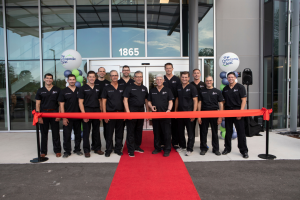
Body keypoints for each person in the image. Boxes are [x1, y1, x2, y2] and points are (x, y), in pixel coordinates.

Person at [222, 72, 249, 158]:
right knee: (228, 132)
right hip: (228, 112)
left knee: (241, 132)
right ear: (227, 79)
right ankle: (227, 148)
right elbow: (223, 102)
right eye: (229, 77)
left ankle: (244, 150)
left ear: (235, 78)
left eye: (232, 77)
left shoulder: (240, 87)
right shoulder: (225, 89)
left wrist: (240, 112)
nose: (230, 79)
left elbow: (244, 100)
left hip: (238, 111)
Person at [123, 71, 149, 157]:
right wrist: (127, 112)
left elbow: (146, 101)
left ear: (142, 78)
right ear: (134, 78)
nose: (139, 78)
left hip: (141, 111)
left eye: (140, 76)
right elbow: (125, 100)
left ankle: (137, 146)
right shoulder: (129, 87)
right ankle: (131, 149)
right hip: (131, 111)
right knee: (131, 131)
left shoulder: (144, 88)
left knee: (138, 130)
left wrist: (147, 112)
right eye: (137, 76)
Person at [35, 73, 61, 157]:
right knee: (43, 133)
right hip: (43, 113)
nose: (48, 80)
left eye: (50, 78)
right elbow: (37, 104)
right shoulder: (40, 90)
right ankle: (43, 152)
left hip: (54, 113)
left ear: (52, 80)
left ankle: (57, 150)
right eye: (47, 78)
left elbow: (60, 104)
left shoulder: (57, 89)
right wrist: (39, 116)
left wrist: (59, 115)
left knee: (56, 133)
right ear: (44, 79)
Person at [78, 71, 103, 158]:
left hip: (96, 111)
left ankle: (97, 148)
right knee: (86, 132)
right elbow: (80, 102)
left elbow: (100, 101)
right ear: (87, 78)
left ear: (95, 78)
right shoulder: (83, 88)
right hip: (87, 110)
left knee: (96, 131)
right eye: (90, 77)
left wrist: (100, 113)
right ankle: (86, 150)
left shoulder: (98, 87)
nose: (92, 78)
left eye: (93, 77)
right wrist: (84, 114)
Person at [148, 74, 174, 157]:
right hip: (155, 116)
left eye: (160, 79)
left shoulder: (168, 90)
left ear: (163, 81)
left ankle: (167, 149)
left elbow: (171, 101)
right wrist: (151, 106)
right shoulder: (152, 91)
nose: (159, 81)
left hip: (166, 116)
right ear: (155, 81)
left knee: (167, 133)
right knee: (156, 132)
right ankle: (157, 148)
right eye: (157, 79)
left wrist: (169, 110)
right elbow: (149, 101)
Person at [102, 70, 126, 157]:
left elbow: (125, 101)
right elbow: (103, 102)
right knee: (109, 133)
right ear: (110, 77)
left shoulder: (122, 87)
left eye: (116, 75)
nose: (114, 77)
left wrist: (124, 114)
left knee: (119, 133)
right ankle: (108, 149)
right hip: (110, 114)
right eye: (113, 75)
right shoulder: (106, 88)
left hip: (120, 114)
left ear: (118, 76)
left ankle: (118, 149)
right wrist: (104, 114)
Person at [198, 76, 224, 156]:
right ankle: (203, 148)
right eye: (207, 80)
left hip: (214, 113)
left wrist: (220, 117)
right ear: (205, 82)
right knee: (203, 132)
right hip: (204, 113)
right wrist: (199, 115)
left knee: (214, 132)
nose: (208, 82)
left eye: (210, 80)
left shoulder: (217, 91)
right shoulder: (201, 91)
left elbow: (221, 104)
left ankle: (215, 149)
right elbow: (199, 103)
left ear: (212, 81)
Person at [58, 74, 83, 158]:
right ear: (67, 81)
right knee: (67, 135)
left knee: (78, 134)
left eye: (73, 79)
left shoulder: (80, 90)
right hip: (67, 117)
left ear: (75, 80)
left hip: (78, 117)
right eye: (70, 79)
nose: (72, 81)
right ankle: (67, 151)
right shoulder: (63, 91)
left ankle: (77, 149)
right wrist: (64, 117)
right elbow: (61, 105)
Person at [175, 72, 198, 156]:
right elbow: (177, 99)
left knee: (190, 132)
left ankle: (190, 148)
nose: (184, 79)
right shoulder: (179, 87)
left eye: (186, 77)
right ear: (181, 78)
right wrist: (175, 111)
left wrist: (194, 113)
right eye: (182, 77)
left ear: (188, 78)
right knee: (180, 131)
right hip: (180, 114)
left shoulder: (192, 87)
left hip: (189, 113)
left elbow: (195, 100)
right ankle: (182, 146)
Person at [163, 63, 181, 150]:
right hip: (163, 106)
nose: (168, 70)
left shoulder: (177, 79)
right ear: (165, 69)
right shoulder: (162, 79)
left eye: (170, 68)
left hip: (174, 105)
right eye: (167, 68)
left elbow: (177, 96)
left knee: (175, 125)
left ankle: (175, 143)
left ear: (172, 69)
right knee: (164, 125)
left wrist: (176, 109)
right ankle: (164, 143)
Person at [94, 67, 110, 146]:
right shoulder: (94, 82)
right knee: (95, 128)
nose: (102, 72)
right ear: (97, 72)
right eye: (100, 71)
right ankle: (95, 145)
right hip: (95, 107)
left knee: (107, 128)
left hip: (105, 108)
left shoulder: (108, 83)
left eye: (103, 71)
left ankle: (108, 144)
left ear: (105, 73)